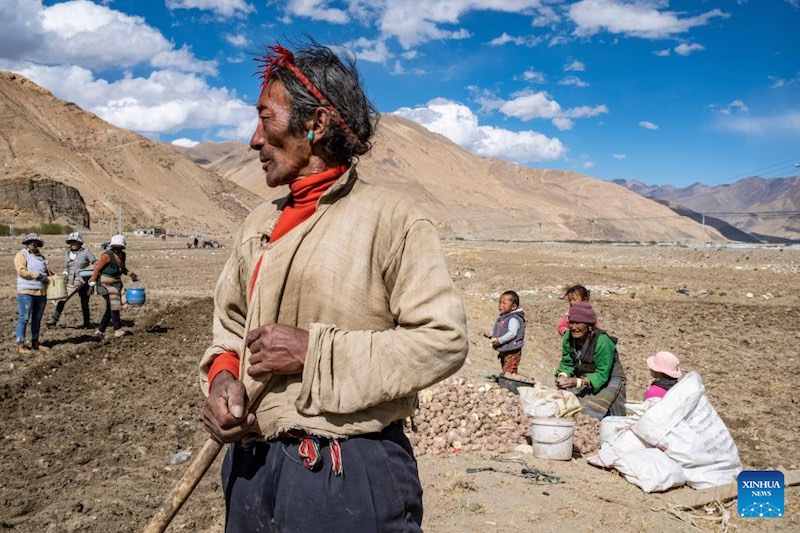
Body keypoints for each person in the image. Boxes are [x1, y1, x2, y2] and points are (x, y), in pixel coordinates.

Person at [199, 41, 468, 532]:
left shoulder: (392, 219)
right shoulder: (260, 223)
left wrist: (313, 352)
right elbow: (230, 324)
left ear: (316, 125)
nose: (254, 140)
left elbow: (442, 340)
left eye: (266, 118)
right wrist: (221, 377)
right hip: (251, 465)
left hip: (346, 469)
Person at [555, 301, 626, 419]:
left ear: (589, 326)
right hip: (584, 375)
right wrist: (563, 375)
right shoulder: (568, 337)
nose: (573, 327)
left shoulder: (603, 341)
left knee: (591, 412)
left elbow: (603, 373)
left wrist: (578, 382)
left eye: (578, 323)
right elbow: (567, 362)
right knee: (567, 405)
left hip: (608, 376)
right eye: (571, 323)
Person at [88, 234, 138, 338]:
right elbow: (97, 269)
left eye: (119, 247)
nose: (117, 249)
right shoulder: (106, 255)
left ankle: (100, 331)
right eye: (116, 247)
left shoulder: (122, 255)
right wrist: (91, 284)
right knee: (113, 305)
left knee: (110, 307)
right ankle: (117, 329)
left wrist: (131, 274)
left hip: (116, 283)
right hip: (104, 284)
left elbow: (122, 268)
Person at [46, 232, 96, 328]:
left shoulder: (86, 252)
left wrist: (89, 272)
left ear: (80, 243)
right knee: (63, 298)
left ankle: (87, 323)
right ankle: (54, 319)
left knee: (84, 302)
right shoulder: (67, 254)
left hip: (83, 281)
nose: (73, 244)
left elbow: (95, 263)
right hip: (70, 281)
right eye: (71, 242)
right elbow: (66, 268)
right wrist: (64, 273)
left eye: (75, 242)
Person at [14, 233, 53, 353]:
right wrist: (37, 276)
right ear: (27, 243)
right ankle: (20, 345)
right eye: (31, 242)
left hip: (41, 292)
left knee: (37, 318)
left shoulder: (42, 257)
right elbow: (22, 271)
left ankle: (35, 342)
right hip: (26, 292)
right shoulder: (22, 254)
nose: (33, 244)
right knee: (24, 318)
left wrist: (54, 277)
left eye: (36, 242)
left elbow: (47, 272)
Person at [483, 290, 525, 374]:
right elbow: (501, 331)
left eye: (504, 303)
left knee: (510, 369)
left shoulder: (513, 318)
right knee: (504, 366)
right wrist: (491, 334)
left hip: (513, 350)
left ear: (513, 306)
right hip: (506, 349)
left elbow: (512, 333)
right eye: (499, 303)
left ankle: (508, 382)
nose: (500, 305)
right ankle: (505, 380)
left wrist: (500, 340)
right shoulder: (504, 317)